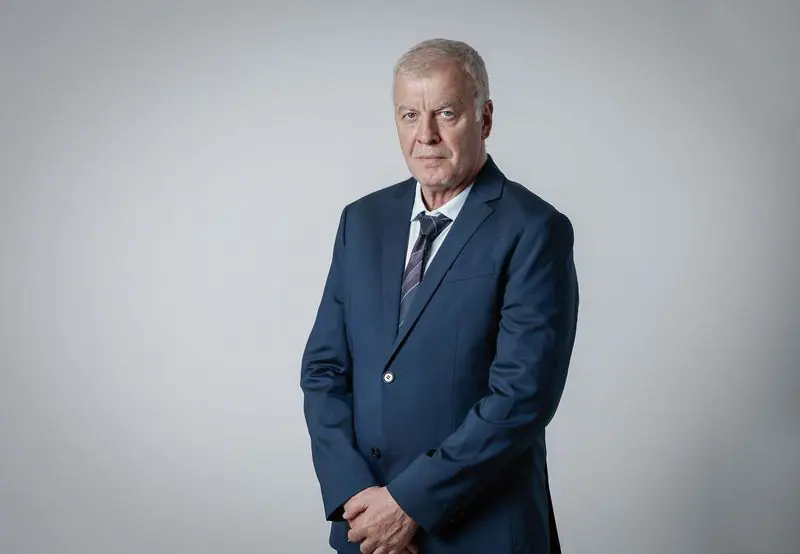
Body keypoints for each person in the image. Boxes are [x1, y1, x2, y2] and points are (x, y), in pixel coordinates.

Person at [300, 38, 579, 554]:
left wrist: (407, 505)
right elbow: (323, 370)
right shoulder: (361, 221)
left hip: (482, 534)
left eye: (446, 113)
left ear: (485, 118)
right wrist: (356, 496)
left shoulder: (534, 228)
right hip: (366, 531)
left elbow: (521, 397)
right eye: (409, 115)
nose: (425, 135)